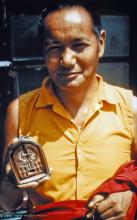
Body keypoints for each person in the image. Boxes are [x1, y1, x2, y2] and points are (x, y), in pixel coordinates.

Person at [0, 0, 137, 219]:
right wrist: (10, 182)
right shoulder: (20, 111)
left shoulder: (130, 108)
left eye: (79, 45)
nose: (66, 60)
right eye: (54, 48)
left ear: (101, 43)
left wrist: (131, 194)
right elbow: (8, 204)